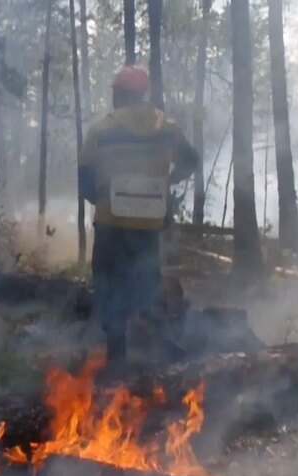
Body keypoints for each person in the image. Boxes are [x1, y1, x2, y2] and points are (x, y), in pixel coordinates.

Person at [79, 65, 198, 371]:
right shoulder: (167, 127)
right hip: (148, 227)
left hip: (110, 225)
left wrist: (102, 198)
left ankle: (117, 357)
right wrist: (167, 183)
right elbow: (191, 161)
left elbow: (85, 183)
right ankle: (159, 358)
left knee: (109, 286)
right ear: (142, 95)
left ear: (119, 94)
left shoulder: (101, 131)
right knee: (147, 285)